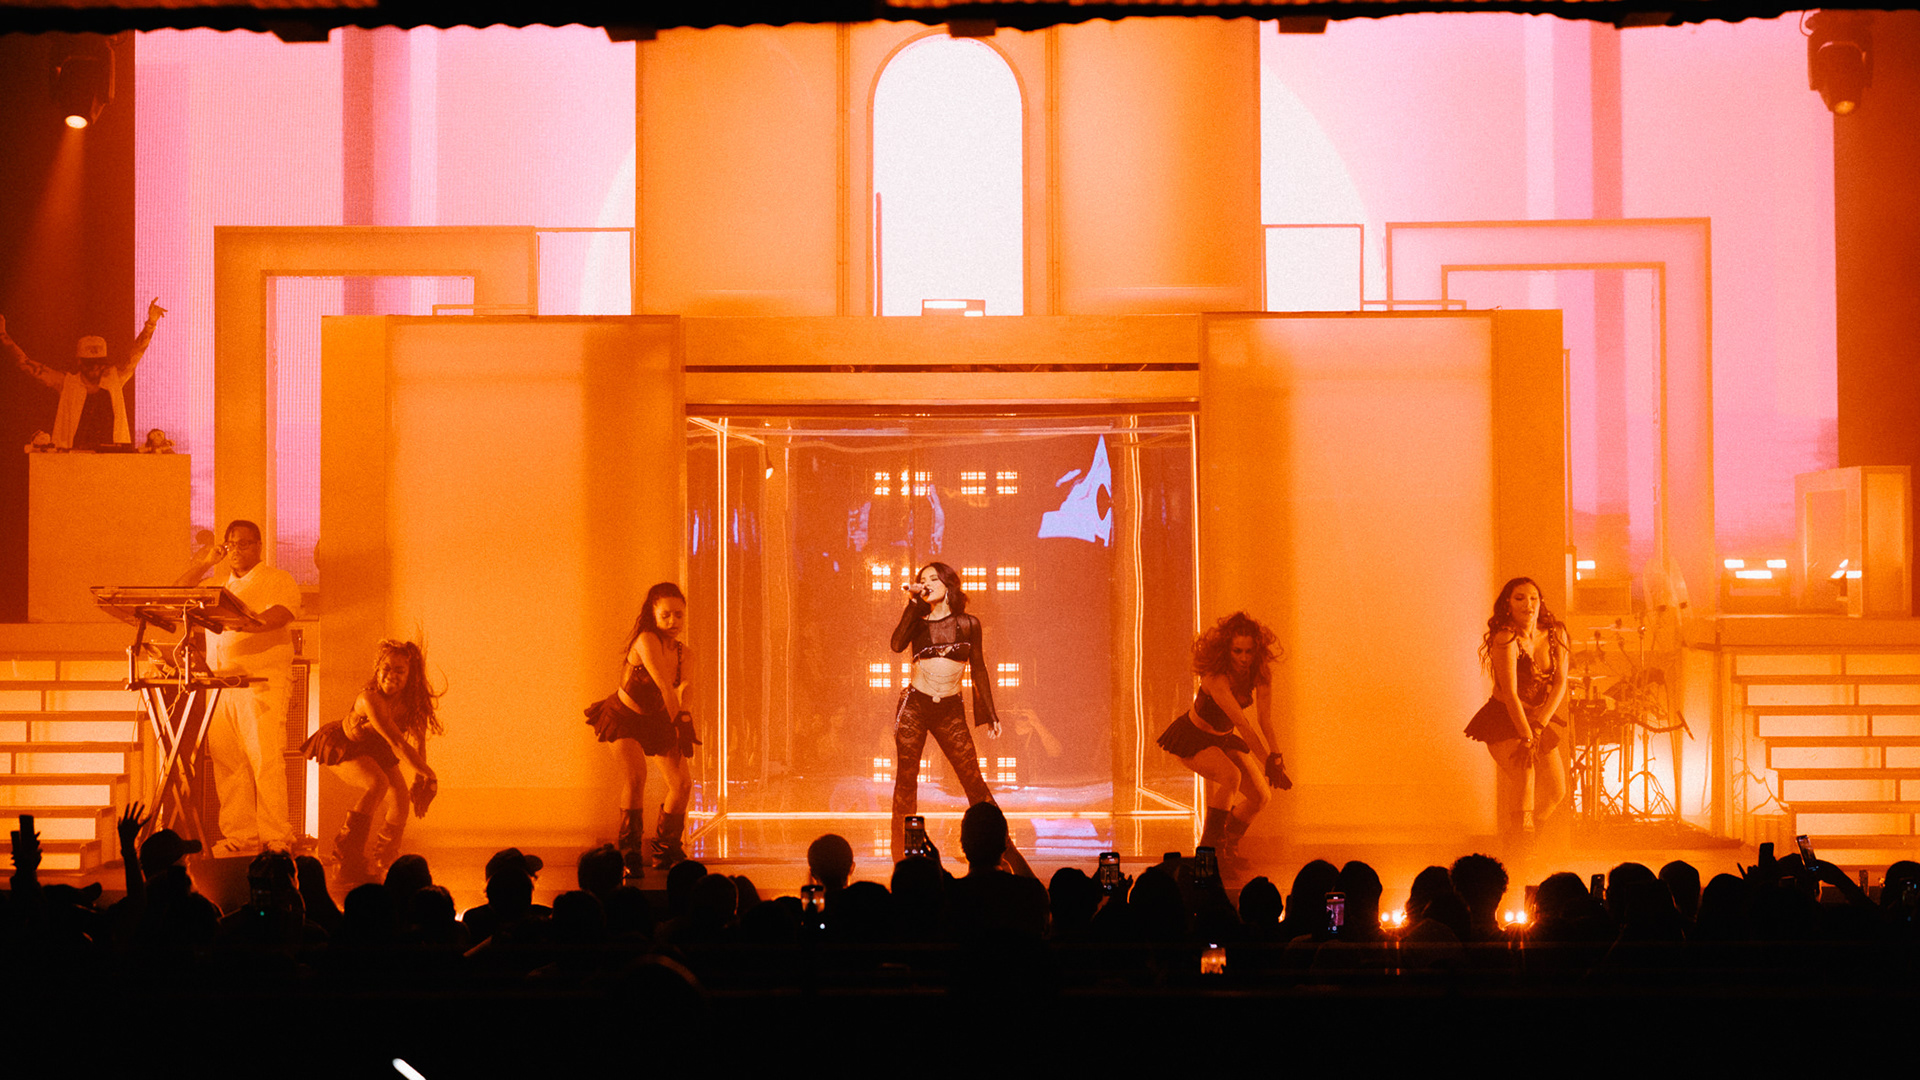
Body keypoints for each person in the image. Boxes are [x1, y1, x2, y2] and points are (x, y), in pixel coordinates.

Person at [887, 561, 1031, 875]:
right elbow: (896, 644)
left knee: (974, 782)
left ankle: (1008, 856)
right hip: (915, 706)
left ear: (948, 584)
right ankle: (902, 861)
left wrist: (990, 712)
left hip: (949, 710)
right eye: (922, 579)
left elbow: (978, 667)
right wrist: (913, 603)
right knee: (906, 783)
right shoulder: (918, 622)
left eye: (932, 578)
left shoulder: (968, 624)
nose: (926, 583)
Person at [177, 519, 301, 857]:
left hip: (261, 683)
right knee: (227, 761)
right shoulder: (217, 585)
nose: (235, 550)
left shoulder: (277, 579)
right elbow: (179, 592)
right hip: (220, 684)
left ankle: (276, 836)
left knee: (265, 759)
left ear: (258, 545)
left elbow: (280, 615)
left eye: (243, 543)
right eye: (230, 544)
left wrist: (242, 622)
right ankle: (241, 835)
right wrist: (205, 562)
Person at [301, 639, 442, 882]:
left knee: (401, 799)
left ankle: (384, 863)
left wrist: (421, 779)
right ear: (377, 670)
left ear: (411, 676)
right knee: (377, 782)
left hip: (376, 750)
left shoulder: (412, 704)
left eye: (399, 670)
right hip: (344, 745)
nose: (391, 675)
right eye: (386, 668)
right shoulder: (370, 698)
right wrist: (430, 774)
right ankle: (344, 860)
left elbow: (419, 744)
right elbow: (398, 743)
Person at [1155, 611, 1290, 861]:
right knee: (1231, 776)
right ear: (1226, 649)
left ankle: (1227, 844)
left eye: (1249, 651)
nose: (1244, 658)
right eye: (1237, 651)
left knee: (1261, 797)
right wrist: (1267, 762)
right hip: (1194, 738)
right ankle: (1209, 854)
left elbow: (1265, 720)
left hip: (1224, 739)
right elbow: (1243, 725)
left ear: (1257, 651)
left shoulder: (1260, 673)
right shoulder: (1216, 678)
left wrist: (1276, 757)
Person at [585, 582, 696, 876]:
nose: (673, 621)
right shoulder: (646, 640)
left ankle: (665, 849)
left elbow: (684, 690)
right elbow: (664, 685)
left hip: (658, 720)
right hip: (625, 717)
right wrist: (679, 724)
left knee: (683, 784)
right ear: (653, 614)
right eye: (665, 615)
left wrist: (685, 721)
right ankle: (629, 853)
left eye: (678, 615)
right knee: (636, 778)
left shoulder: (686, 654)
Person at [1463, 576, 1570, 839]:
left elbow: (1560, 683)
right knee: (1525, 773)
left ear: (1541, 602)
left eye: (1533, 598)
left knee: (1557, 791)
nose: (1528, 604)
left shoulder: (1556, 634)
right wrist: (1526, 737)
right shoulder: (1506, 638)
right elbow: (1510, 693)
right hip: (1504, 718)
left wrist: (1540, 725)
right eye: (1519, 598)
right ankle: (1523, 846)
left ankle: (1522, 837)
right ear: (1508, 604)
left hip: (1535, 719)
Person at [1, 298, 166, 449]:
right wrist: (3, 336)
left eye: (99, 363)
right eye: (89, 363)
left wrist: (150, 324)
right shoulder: (67, 383)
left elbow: (135, 354)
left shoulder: (114, 379)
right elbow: (27, 365)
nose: (95, 368)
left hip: (113, 457)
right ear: (79, 362)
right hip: (74, 458)